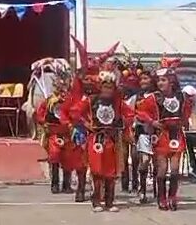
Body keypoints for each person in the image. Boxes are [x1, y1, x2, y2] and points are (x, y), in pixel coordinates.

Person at [70, 71, 133, 212]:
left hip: (112, 139)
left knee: (111, 172)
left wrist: (121, 123)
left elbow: (130, 115)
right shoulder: (91, 100)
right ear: (100, 86)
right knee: (97, 171)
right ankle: (96, 201)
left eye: (110, 87)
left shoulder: (118, 102)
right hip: (96, 139)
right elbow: (74, 112)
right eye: (105, 87)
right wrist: (86, 124)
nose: (108, 90)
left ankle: (110, 202)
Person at [136, 56, 193, 211]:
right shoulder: (154, 98)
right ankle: (161, 198)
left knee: (174, 169)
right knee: (161, 170)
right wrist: (152, 122)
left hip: (177, 135)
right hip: (161, 136)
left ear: (172, 81)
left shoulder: (181, 96)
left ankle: (172, 196)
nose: (160, 83)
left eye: (164, 80)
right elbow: (140, 112)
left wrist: (185, 120)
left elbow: (188, 109)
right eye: (159, 80)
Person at [120, 60, 157, 203]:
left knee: (158, 163)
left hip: (158, 133)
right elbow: (128, 112)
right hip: (142, 133)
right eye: (141, 79)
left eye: (146, 79)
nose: (143, 81)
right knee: (144, 161)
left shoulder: (157, 96)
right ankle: (141, 190)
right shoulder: (136, 97)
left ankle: (157, 189)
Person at [35, 67, 76, 194]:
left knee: (68, 159)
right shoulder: (49, 100)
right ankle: (55, 184)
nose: (61, 86)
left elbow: (76, 113)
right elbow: (40, 113)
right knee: (54, 157)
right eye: (59, 84)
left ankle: (67, 185)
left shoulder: (70, 100)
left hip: (67, 133)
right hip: (54, 133)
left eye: (64, 84)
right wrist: (43, 122)